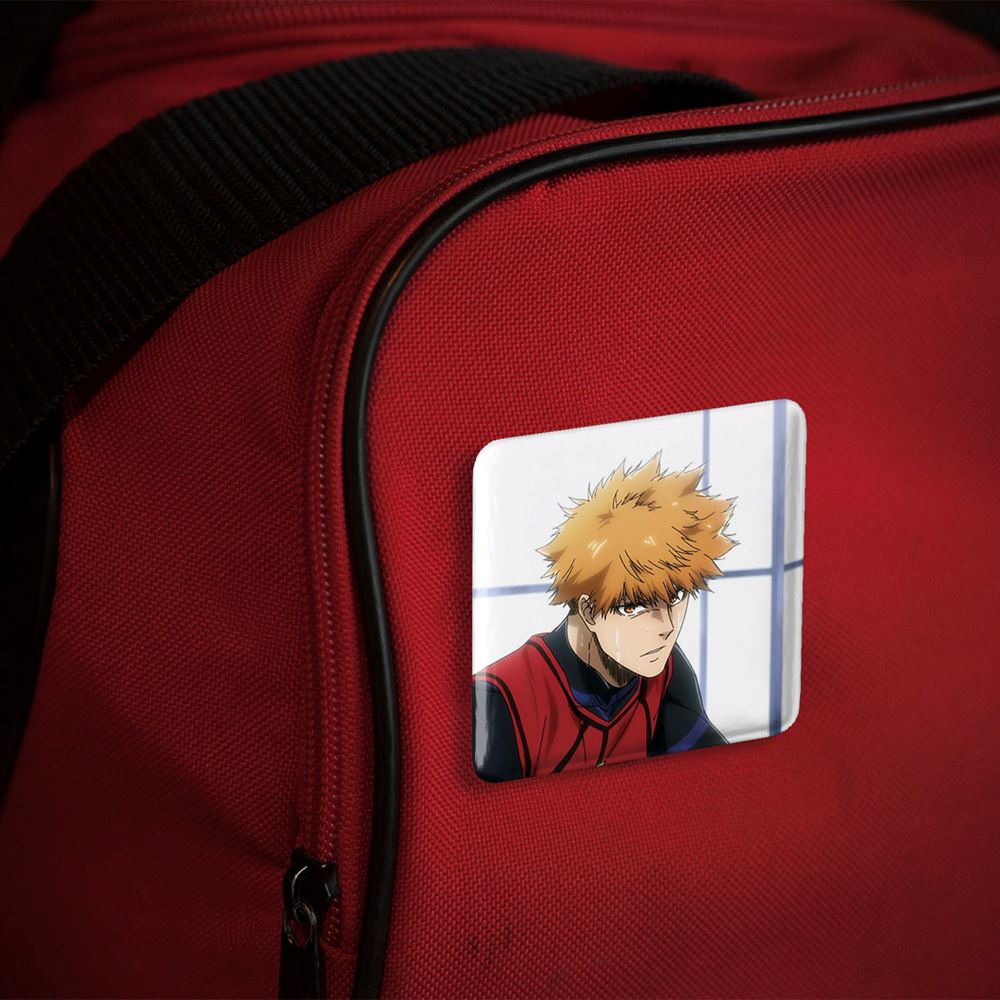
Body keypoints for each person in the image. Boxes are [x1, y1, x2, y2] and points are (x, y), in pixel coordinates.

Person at [473, 455, 736, 781]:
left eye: (677, 596)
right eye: (634, 607)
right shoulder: (502, 698)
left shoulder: (662, 669)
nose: (667, 627)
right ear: (587, 610)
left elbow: (718, 773)